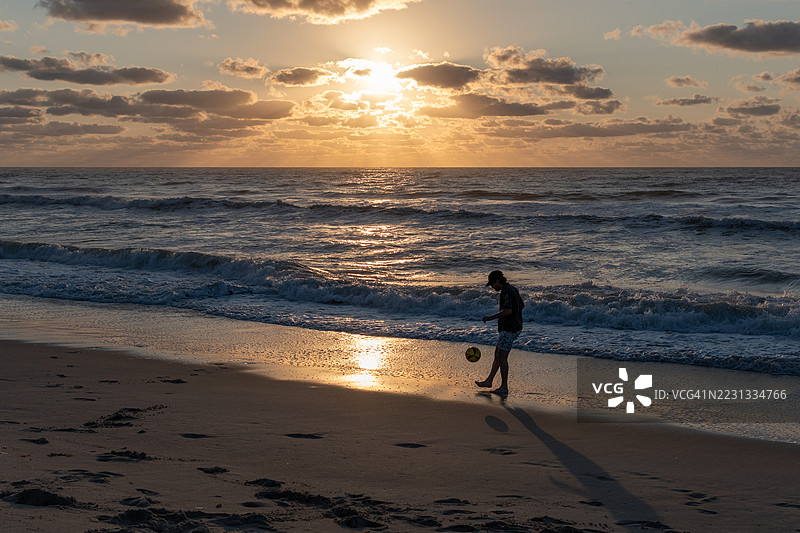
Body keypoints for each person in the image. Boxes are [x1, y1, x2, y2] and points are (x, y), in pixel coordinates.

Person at [476, 270, 525, 396]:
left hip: (509, 328)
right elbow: (521, 305)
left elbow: (507, 311)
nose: (492, 287)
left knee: (502, 358)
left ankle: (504, 387)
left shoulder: (506, 292)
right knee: (497, 353)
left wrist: (490, 317)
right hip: (514, 327)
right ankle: (489, 381)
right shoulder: (513, 289)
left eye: (492, 284)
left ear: (497, 281)